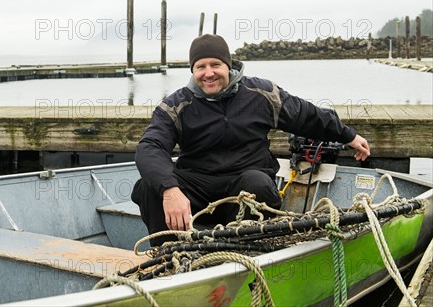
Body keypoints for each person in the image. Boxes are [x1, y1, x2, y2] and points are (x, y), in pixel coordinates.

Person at [131, 34, 370, 245]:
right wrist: (170, 190)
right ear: (193, 71)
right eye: (200, 66)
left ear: (229, 65)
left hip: (245, 184)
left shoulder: (261, 94)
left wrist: (348, 135)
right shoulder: (177, 104)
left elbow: (306, 115)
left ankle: (246, 250)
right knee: (149, 187)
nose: (208, 73)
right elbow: (150, 146)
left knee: (257, 183)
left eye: (215, 64)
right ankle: (168, 253)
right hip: (198, 187)